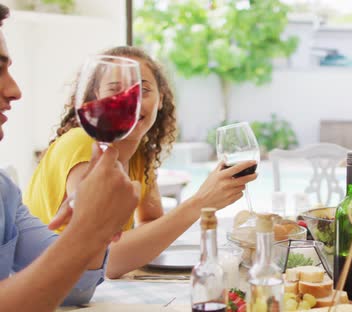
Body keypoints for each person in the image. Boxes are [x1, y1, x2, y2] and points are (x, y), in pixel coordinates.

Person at [23, 46, 258, 278]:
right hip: (51, 289)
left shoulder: (139, 154)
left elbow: (149, 222)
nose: (131, 101)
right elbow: (106, 260)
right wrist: (201, 202)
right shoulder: (85, 144)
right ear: (97, 97)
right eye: (116, 90)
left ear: (160, 100)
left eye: (143, 90)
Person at [0, 4, 140, 310]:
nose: (15, 90)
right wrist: (89, 227)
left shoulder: (3, 191)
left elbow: (76, 288)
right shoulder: (78, 142)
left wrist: (91, 226)